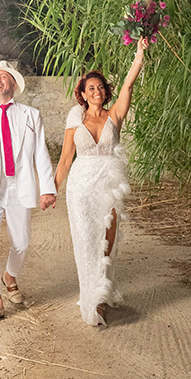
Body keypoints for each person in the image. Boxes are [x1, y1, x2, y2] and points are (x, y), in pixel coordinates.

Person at [54, 37, 148, 326]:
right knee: (85, 242)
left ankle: (103, 294)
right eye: (90, 88)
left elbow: (129, 85)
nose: (96, 91)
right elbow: (66, 159)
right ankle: (92, 299)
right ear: (82, 93)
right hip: (80, 188)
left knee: (107, 244)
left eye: (100, 87)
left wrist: (140, 54)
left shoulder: (114, 115)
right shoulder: (75, 119)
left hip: (107, 186)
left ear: (106, 92)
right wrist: (50, 189)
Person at [0, 60, 57, 324]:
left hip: (19, 185)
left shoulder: (30, 115)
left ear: (13, 84)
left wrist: (48, 188)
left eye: (3, 77)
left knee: (22, 242)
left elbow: (41, 153)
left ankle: (10, 277)